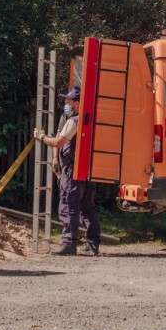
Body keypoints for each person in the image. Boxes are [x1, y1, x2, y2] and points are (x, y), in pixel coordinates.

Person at [36, 86, 101, 256]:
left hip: (72, 170)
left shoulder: (74, 121)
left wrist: (41, 137)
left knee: (68, 206)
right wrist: (57, 158)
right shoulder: (90, 119)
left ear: (78, 103)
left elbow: (58, 142)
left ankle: (69, 244)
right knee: (87, 208)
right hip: (86, 169)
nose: (66, 103)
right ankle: (93, 243)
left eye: (69, 100)